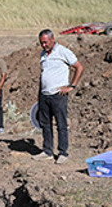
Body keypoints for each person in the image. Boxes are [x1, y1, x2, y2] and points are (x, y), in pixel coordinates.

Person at [32, 29, 84, 164]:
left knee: (61, 124)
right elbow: (42, 75)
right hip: (44, 95)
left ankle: (62, 152)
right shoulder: (43, 54)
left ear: (52, 39)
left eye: (45, 42)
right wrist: (39, 93)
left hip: (58, 96)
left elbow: (79, 67)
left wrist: (71, 86)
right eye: (41, 43)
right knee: (45, 124)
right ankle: (47, 151)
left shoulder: (63, 52)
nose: (43, 45)